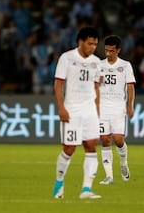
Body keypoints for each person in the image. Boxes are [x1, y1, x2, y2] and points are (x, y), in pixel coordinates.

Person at [52, 26, 102, 199]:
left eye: (95, 44)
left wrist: (97, 111)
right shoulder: (67, 58)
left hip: (89, 112)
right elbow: (58, 84)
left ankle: (86, 189)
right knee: (69, 149)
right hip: (71, 110)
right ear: (80, 42)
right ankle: (59, 181)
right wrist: (61, 108)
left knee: (91, 146)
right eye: (90, 44)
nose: (93, 47)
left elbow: (96, 87)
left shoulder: (96, 62)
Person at [98, 35, 136, 185]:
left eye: (111, 51)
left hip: (118, 107)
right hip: (102, 107)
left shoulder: (125, 66)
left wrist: (130, 105)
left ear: (118, 51)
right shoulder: (99, 65)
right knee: (105, 140)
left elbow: (131, 87)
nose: (108, 54)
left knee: (119, 140)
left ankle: (123, 162)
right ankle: (109, 176)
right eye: (106, 50)